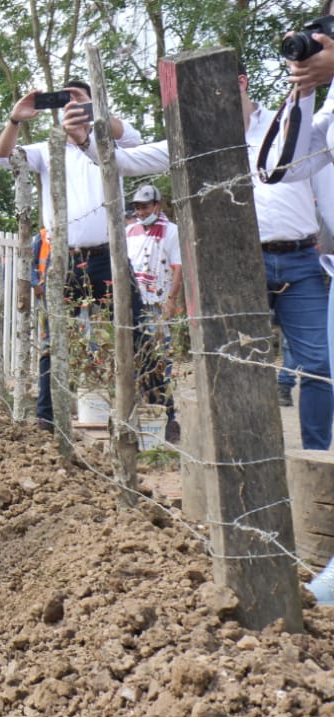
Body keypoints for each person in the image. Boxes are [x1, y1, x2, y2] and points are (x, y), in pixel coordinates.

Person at [63, 70, 332, 450]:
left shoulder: (288, 124)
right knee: (238, 365)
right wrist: (86, 140)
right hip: (237, 266)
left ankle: (316, 457)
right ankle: (247, 458)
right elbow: (128, 161)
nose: (204, 100)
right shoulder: (196, 139)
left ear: (239, 81)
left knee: (320, 364)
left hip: (301, 260)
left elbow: (324, 186)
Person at [0, 80, 144, 427]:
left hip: (109, 255)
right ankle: (48, 417)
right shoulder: (48, 148)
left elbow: (132, 136)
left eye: (81, 101)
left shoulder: (111, 140)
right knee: (54, 338)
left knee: (137, 328)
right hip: (64, 258)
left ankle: (157, 410)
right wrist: (15, 119)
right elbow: (3, 159)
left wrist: (96, 113)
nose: (73, 108)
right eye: (67, 102)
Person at [126, 184, 182, 441]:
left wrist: (171, 301)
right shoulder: (130, 232)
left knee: (159, 362)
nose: (140, 211)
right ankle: (139, 417)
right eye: (137, 207)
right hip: (133, 304)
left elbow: (177, 267)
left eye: (145, 207)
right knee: (135, 362)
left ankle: (167, 417)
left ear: (157, 206)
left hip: (156, 303)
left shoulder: (171, 232)